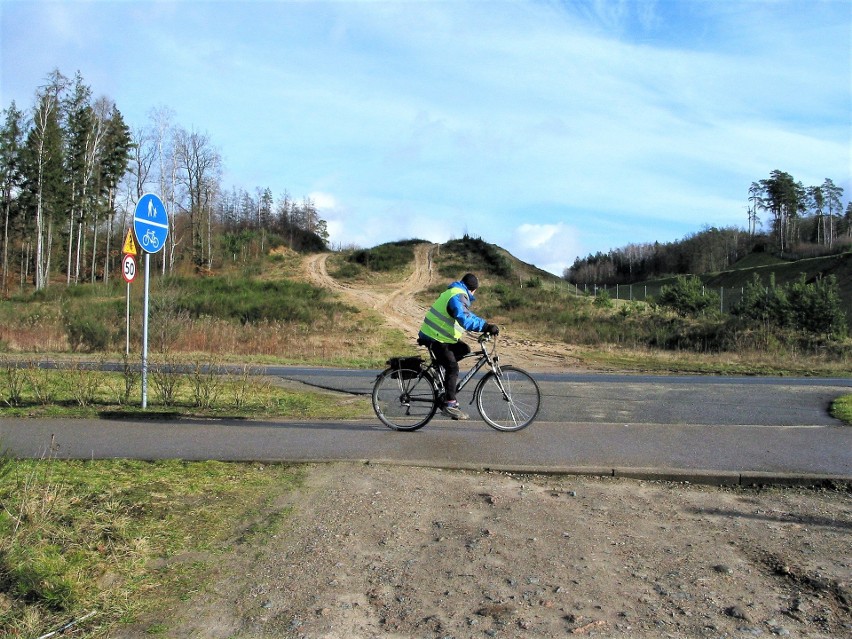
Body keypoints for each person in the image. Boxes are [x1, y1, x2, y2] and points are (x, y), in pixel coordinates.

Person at [418, 273, 499, 420]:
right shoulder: (458, 295)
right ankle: (450, 404)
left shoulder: (455, 292)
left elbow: (468, 314)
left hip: (438, 335)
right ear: (473, 289)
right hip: (435, 337)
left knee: (464, 349)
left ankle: (442, 373)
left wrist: (486, 325)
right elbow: (465, 320)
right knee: (453, 367)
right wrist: (486, 326)